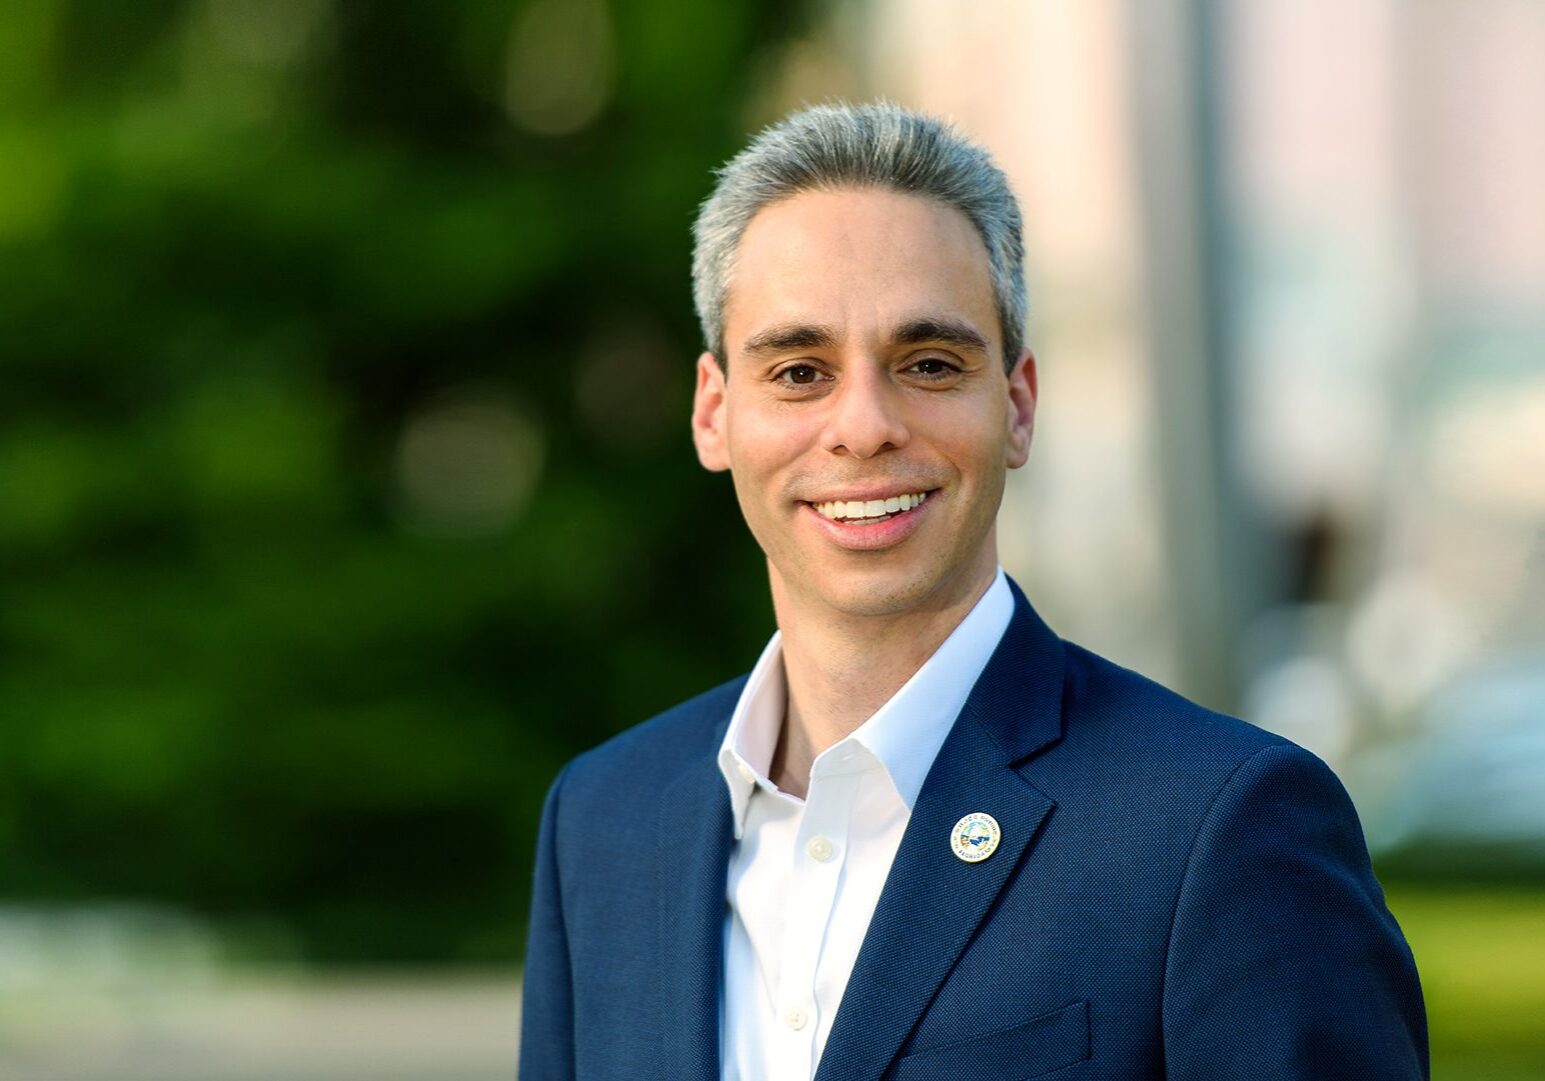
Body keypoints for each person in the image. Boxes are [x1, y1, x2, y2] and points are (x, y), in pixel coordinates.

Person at [519, 101, 1428, 1081]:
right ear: (714, 413)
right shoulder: (605, 822)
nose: (862, 425)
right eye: (798, 369)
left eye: (929, 363)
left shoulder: (1221, 827)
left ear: (1019, 405)